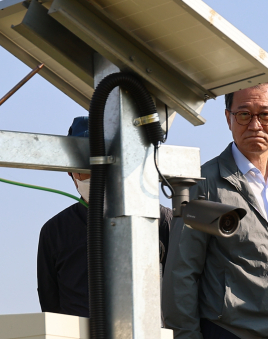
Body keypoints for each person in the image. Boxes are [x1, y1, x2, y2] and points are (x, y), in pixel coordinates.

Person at [163, 79, 268, 339]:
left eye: (265, 115)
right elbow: (182, 272)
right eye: (244, 114)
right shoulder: (205, 184)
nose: (255, 124)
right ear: (228, 118)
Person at [37, 116, 173, 318]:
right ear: (69, 172)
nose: (95, 175)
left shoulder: (157, 219)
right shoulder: (55, 231)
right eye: (84, 169)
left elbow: (182, 290)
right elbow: (50, 304)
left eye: (102, 165)